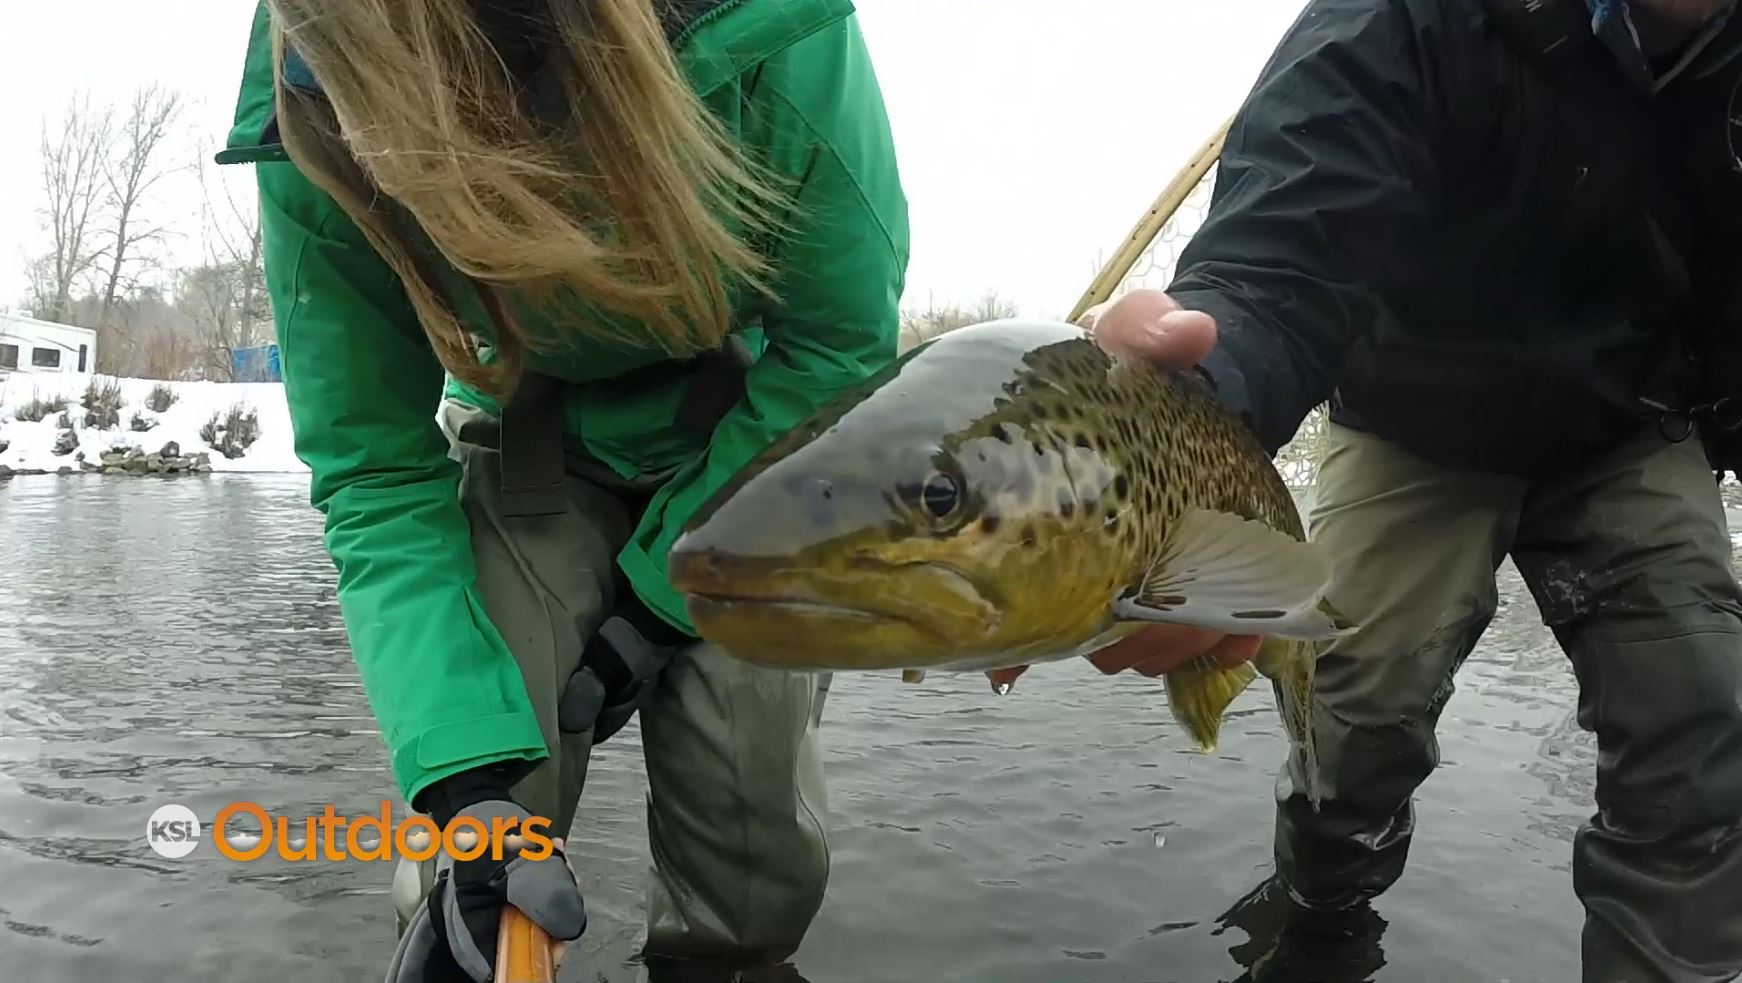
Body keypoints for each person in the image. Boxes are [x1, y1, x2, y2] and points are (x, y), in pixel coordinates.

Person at [213, 0, 916, 978]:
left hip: (753, 426)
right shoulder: (310, 102)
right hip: (523, 424)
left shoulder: (774, 33)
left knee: (748, 835)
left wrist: (662, 604)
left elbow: (838, 352)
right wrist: (465, 781)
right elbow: (375, 470)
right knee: (484, 839)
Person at [1073, 0, 1742, 980]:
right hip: (1411, 413)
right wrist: (1191, 405)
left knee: (1701, 711)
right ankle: (1320, 910)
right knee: (1351, 716)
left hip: (1630, 419)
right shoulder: (1398, 19)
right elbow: (1282, 258)